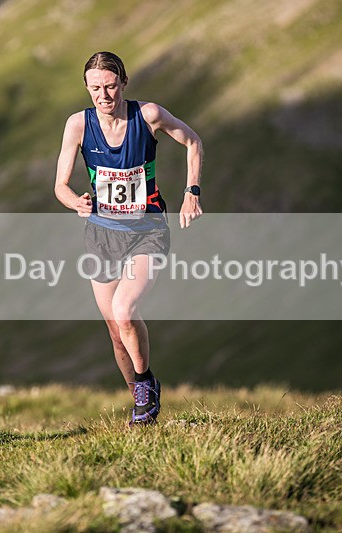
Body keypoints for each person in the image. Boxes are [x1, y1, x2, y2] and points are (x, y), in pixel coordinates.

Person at [54, 51, 203, 425]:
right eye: (94, 88)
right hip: (101, 236)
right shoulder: (77, 125)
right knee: (116, 333)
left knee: (125, 311)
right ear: (87, 89)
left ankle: (145, 383)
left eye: (109, 85)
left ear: (123, 82)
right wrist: (76, 202)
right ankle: (142, 403)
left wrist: (192, 192)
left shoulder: (147, 115)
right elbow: (60, 185)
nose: (103, 95)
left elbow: (194, 142)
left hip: (148, 232)